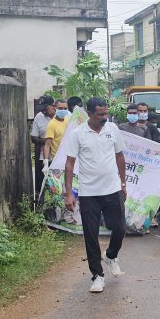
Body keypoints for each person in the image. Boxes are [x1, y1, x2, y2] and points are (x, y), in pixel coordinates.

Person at [64, 98, 127, 293]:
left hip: (112, 189)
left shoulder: (112, 129)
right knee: (90, 235)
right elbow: (69, 164)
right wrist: (68, 194)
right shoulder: (77, 134)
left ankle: (111, 255)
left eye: (105, 114)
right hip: (89, 192)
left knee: (120, 228)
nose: (104, 118)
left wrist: (123, 183)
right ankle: (97, 276)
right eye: (100, 114)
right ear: (89, 114)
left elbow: (120, 157)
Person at [31, 95, 54, 195]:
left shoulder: (62, 117)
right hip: (44, 158)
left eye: (45, 108)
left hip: (59, 156)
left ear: (53, 106)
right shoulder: (39, 117)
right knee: (44, 187)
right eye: (42, 108)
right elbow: (34, 138)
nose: (43, 111)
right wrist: (48, 141)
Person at [43, 98, 70, 171]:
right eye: (60, 108)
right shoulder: (52, 124)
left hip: (69, 159)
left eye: (65, 108)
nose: (63, 110)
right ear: (55, 109)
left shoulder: (69, 121)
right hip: (57, 160)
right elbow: (47, 145)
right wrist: (46, 162)